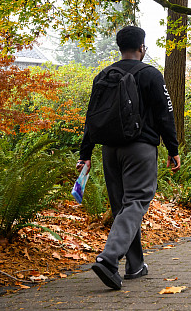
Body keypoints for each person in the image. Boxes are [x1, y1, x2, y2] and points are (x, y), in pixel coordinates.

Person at [77, 26, 181, 290]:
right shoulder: (150, 74)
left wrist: (85, 154)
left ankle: (135, 266)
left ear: (120, 47)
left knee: (123, 208)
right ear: (142, 47)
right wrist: (173, 148)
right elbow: (165, 114)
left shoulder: (104, 75)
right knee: (135, 202)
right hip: (140, 148)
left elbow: (92, 117)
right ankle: (109, 259)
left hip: (109, 150)